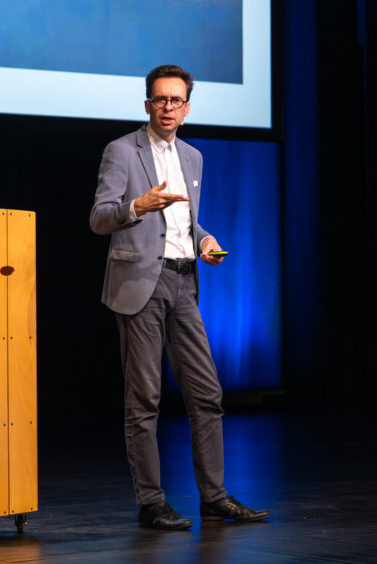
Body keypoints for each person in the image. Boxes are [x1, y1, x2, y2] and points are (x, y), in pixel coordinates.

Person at [89, 64, 270, 530]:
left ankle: (214, 497)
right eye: (160, 100)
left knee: (207, 394)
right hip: (140, 286)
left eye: (176, 100)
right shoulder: (121, 151)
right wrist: (138, 206)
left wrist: (204, 240)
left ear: (187, 108)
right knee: (144, 399)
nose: (167, 107)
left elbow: (185, 222)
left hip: (184, 283)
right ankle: (151, 503)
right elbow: (99, 218)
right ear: (147, 105)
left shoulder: (192, 156)